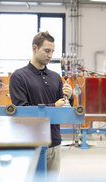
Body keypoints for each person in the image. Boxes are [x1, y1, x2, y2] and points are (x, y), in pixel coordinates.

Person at [9, 31, 73, 174]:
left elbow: (65, 108)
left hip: (54, 142)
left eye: (52, 51)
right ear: (34, 48)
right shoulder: (19, 77)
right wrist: (53, 106)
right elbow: (22, 111)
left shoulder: (55, 77)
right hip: (30, 143)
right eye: (46, 51)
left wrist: (70, 96)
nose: (50, 55)